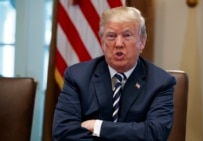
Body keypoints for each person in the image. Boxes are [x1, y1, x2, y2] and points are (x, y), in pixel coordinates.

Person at [53, 6, 176, 141]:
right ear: (102, 42)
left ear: (142, 42)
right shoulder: (77, 76)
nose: (118, 44)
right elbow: (63, 132)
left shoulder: (161, 82)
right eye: (111, 36)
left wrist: (99, 126)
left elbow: (154, 134)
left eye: (127, 35)